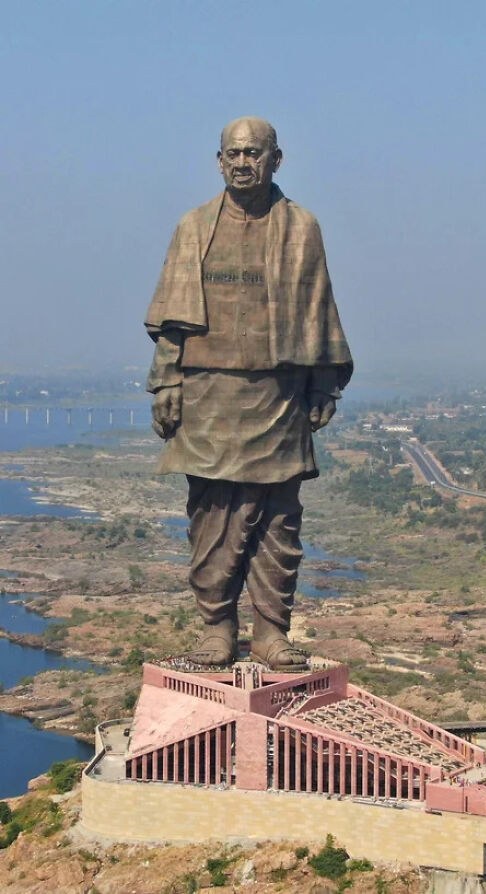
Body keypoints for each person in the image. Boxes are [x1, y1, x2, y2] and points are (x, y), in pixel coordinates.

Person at [145, 116, 352, 669]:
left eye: (254, 153)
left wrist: (323, 382)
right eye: (233, 154)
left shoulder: (302, 227)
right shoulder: (194, 227)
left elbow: (318, 308)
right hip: (209, 392)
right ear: (219, 160)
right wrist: (167, 379)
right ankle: (217, 626)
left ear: (275, 160)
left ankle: (270, 632)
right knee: (211, 515)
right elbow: (171, 319)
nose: (243, 163)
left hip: (278, 394)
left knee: (279, 519)